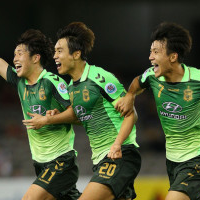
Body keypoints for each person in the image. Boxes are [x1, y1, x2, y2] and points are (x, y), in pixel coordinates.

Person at [114, 22, 200, 200]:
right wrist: (130, 96)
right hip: (172, 161)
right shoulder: (151, 76)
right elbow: (137, 82)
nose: (150, 57)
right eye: (150, 52)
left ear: (173, 57)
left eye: (156, 52)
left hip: (198, 159)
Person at [0, 11, 80, 200]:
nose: (14, 58)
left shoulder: (52, 82)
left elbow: (78, 113)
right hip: (40, 164)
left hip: (61, 162)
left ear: (35, 58)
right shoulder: (19, 81)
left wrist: (49, 119)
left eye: (20, 54)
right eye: (14, 54)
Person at [23, 22, 141, 200]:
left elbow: (132, 114)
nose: (55, 56)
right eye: (54, 51)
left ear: (76, 54)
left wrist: (117, 144)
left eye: (60, 51)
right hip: (100, 159)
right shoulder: (71, 88)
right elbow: (80, 117)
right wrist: (56, 116)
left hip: (120, 154)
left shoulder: (99, 77)